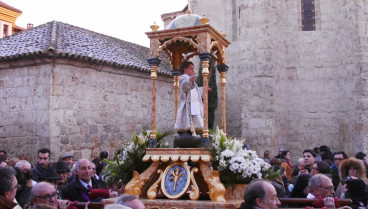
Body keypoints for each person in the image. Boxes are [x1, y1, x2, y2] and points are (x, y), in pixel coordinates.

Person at [174, 61, 204, 134]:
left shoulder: (190, 79)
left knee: (194, 129)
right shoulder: (182, 78)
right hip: (186, 106)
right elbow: (185, 87)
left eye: (193, 69)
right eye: (191, 69)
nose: (193, 71)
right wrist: (190, 80)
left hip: (193, 105)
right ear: (185, 69)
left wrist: (204, 89)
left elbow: (195, 92)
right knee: (186, 128)